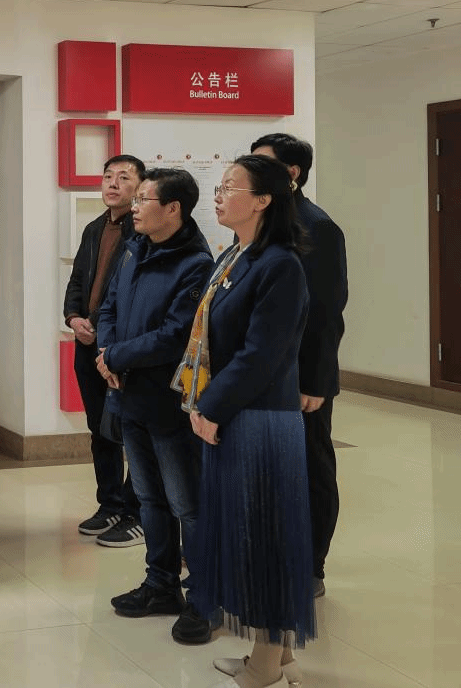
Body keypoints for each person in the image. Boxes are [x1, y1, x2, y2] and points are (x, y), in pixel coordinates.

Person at [182, 155, 315, 688]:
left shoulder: (280, 264)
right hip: (236, 410)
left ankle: (265, 663)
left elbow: (261, 354)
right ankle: (275, 654)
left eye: (230, 187)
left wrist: (211, 407)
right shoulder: (235, 255)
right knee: (251, 537)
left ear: (263, 200)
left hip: (259, 418)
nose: (218, 195)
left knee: (265, 538)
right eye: (218, 186)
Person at [97, 168, 214, 645]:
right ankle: (160, 584)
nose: (135, 206)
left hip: (168, 403)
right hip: (129, 397)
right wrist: (106, 351)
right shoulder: (134, 248)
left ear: (173, 209)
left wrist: (117, 356)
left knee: (188, 504)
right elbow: (108, 307)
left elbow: (175, 335)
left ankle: (204, 597)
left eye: (144, 198)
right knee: (149, 499)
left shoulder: (196, 263)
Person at [251, 133, 347, 599]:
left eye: (261, 164)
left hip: (302, 378)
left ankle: (311, 566)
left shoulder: (317, 227)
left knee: (310, 469)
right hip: (265, 376)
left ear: (291, 174)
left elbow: (327, 313)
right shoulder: (264, 223)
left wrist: (316, 381)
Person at [63, 154, 144, 547]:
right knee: (100, 429)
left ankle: (135, 510)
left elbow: (126, 293)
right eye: (108, 176)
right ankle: (110, 502)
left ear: (141, 187)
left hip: (121, 346)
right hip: (88, 343)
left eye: (124, 177)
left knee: (132, 431)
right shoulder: (95, 227)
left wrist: (98, 325)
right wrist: (73, 317)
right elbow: (78, 278)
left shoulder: (142, 231)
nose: (113, 183)